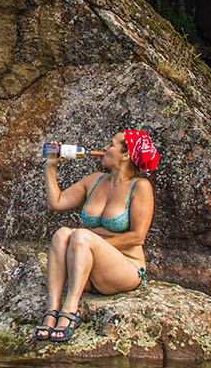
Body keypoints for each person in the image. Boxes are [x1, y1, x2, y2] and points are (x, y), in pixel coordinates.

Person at [36, 129, 160, 342]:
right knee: (62, 234)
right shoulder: (94, 181)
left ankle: (71, 309)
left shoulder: (140, 187)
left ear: (125, 155)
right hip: (88, 269)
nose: (104, 148)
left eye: (111, 145)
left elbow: (137, 237)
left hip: (125, 269)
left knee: (81, 237)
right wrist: (50, 167)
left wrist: (95, 243)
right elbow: (55, 202)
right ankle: (52, 309)